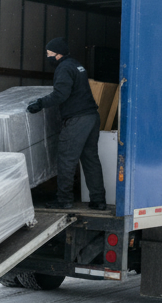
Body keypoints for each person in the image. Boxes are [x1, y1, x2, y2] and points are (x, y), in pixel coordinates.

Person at [27, 37, 107, 211]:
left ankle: (64, 199)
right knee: (90, 159)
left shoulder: (63, 68)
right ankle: (98, 200)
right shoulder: (76, 65)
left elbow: (60, 94)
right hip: (92, 117)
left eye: (49, 54)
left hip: (77, 120)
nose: (47, 57)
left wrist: (39, 104)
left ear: (57, 54)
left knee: (66, 159)